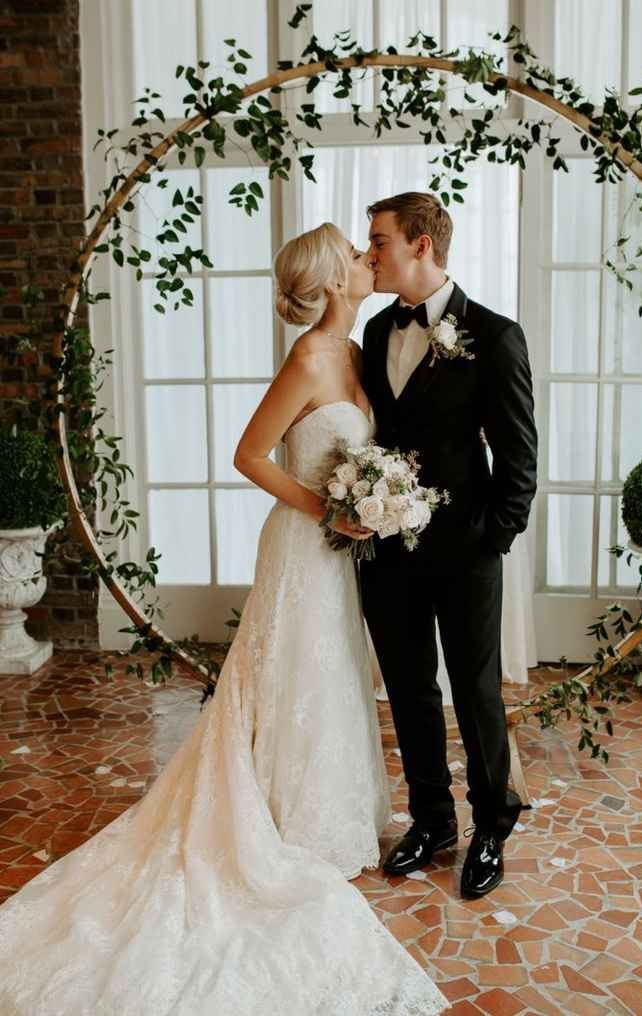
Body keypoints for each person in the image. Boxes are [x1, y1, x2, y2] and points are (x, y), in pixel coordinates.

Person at [0, 222, 448, 1016]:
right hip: (303, 546)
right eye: (354, 252)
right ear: (333, 280)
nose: (363, 258)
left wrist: (373, 505)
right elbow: (248, 454)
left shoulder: (356, 352)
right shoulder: (312, 355)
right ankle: (280, 819)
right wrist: (329, 512)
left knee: (333, 671)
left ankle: (332, 812)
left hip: (339, 551)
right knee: (293, 668)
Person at [360, 192, 538, 901]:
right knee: (407, 689)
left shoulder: (494, 335)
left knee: (475, 691)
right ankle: (432, 820)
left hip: (466, 550)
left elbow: (520, 458)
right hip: (387, 550)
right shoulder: (376, 333)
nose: (370, 254)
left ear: (421, 246)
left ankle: (491, 825)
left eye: (379, 242)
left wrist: (491, 539)